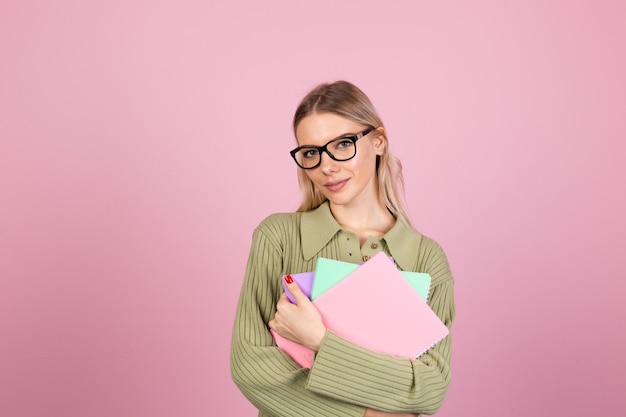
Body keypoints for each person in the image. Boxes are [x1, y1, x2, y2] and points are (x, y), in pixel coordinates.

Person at [230, 80, 455, 417]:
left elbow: (427, 387)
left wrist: (320, 340)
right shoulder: (278, 237)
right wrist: (369, 414)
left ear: (378, 141)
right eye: (311, 153)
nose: (326, 166)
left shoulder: (425, 259)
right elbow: (253, 367)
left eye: (342, 144)